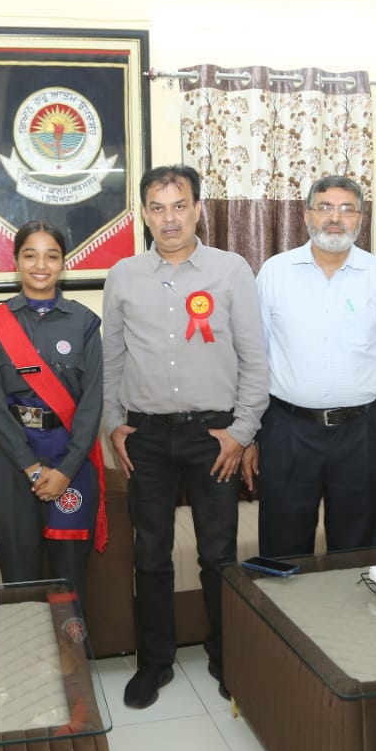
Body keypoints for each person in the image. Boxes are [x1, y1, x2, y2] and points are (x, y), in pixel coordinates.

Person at [102, 164, 268, 708]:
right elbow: (111, 358)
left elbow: (255, 359)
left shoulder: (231, 270)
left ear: (198, 209)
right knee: (149, 555)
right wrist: (114, 424)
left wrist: (241, 432)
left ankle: (226, 656)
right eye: (157, 207)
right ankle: (155, 663)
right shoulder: (123, 275)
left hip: (214, 438)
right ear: (144, 215)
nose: (169, 218)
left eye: (179, 206)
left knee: (218, 555)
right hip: (146, 438)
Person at [244, 175, 376, 557]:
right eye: (324, 207)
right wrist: (248, 435)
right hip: (287, 433)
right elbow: (254, 360)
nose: (335, 218)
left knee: (357, 557)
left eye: (346, 209)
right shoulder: (275, 272)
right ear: (306, 215)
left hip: (365, 435)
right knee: (283, 556)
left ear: (361, 218)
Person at [0, 221, 105, 602]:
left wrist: (66, 470)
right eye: (30, 255)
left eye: (51, 256)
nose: (40, 265)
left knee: (69, 578)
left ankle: (70, 644)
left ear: (63, 263)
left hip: (71, 458)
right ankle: (25, 645)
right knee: (19, 577)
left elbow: (92, 401)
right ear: (16, 261)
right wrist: (31, 467)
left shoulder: (84, 322)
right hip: (10, 458)